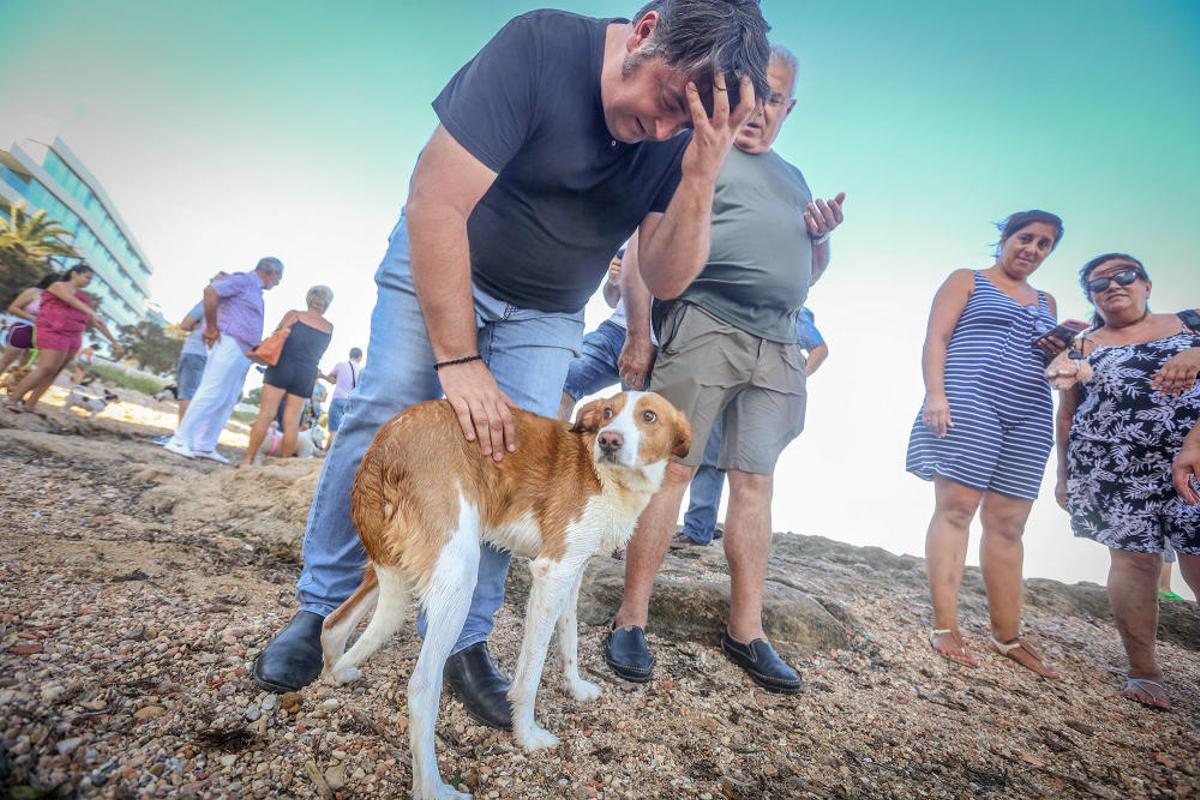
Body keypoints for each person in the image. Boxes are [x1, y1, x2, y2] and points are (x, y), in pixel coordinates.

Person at [253, 0, 771, 738]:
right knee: (385, 408)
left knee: (518, 459)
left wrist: (700, 172)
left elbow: (666, 276)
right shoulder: (540, 45)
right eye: (663, 102)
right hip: (447, 254)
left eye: (681, 123)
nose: (662, 130)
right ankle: (318, 609)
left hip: (546, 310)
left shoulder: (682, 139)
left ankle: (465, 640)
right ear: (646, 31)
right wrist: (459, 360)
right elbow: (435, 200)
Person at [606, 45, 844, 694]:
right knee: (671, 470)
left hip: (778, 341)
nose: (759, 110)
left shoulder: (793, 177)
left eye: (774, 99)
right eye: (750, 93)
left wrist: (819, 239)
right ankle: (631, 618)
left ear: (789, 107)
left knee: (756, 482)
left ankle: (748, 630)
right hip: (704, 324)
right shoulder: (694, 150)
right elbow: (643, 247)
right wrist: (638, 335)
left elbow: (807, 277)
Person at [905, 210, 1065, 679]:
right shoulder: (967, 279)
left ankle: (1008, 635)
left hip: (1030, 411)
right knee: (957, 509)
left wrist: (1064, 358)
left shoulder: (1048, 301)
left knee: (1009, 524)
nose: (1032, 249)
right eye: (1025, 238)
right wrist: (936, 395)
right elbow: (936, 338)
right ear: (1005, 239)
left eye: (1044, 244)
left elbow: (1053, 364)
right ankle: (945, 626)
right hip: (970, 398)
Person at [1054, 253, 1200, 709]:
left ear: (1146, 284)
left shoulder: (1192, 323)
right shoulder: (1082, 345)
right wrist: (1063, 474)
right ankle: (1144, 672)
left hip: (1191, 459)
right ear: (1092, 297)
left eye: (1125, 276)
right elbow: (1068, 412)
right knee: (1134, 563)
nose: (1113, 286)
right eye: (1099, 284)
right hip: (1110, 467)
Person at [677, 306, 827, 547]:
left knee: (753, 472)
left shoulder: (792, 310)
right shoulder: (745, 303)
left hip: (759, 398)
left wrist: (796, 377)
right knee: (709, 457)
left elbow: (819, 349)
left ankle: (741, 536)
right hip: (725, 387)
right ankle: (698, 528)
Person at [164, 257, 283, 463]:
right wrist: (211, 328)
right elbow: (211, 291)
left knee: (227, 399)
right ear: (272, 273)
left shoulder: (256, 291)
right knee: (211, 390)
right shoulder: (244, 280)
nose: (278, 283)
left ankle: (204, 444)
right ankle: (180, 439)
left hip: (244, 351)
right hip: (229, 342)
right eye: (279, 278)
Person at [4, 265, 122, 416]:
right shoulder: (58, 286)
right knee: (46, 368)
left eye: (91, 279)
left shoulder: (85, 299)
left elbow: (96, 321)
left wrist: (113, 341)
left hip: (73, 337)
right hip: (53, 332)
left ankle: (30, 405)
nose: (89, 281)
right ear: (74, 273)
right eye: (87, 277)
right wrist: (91, 312)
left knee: (54, 372)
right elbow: (70, 300)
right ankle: (13, 399)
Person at [241, 286, 334, 466]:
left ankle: (247, 459)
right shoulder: (329, 328)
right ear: (326, 304)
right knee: (292, 422)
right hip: (306, 374)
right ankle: (284, 464)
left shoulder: (294, 315)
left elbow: (276, 336)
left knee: (266, 415)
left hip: (282, 366)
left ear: (309, 298)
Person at [0, 273, 60, 377]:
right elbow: (13, 308)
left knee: (24, 368)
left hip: (40, 334)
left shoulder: (57, 301)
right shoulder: (33, 292)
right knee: (6, 360)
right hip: (23, 329)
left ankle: (10, 385)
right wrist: (33, 318)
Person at [322, 346, 363, 451]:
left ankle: (332, 454)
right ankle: (329, 451)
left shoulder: (341, 365)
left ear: (350, 355)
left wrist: (322, 376)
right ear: (360, 357)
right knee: (347, 430)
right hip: (352, 402)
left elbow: (331, 380)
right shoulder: (361, 370)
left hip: (338, 399)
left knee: (334, 429)